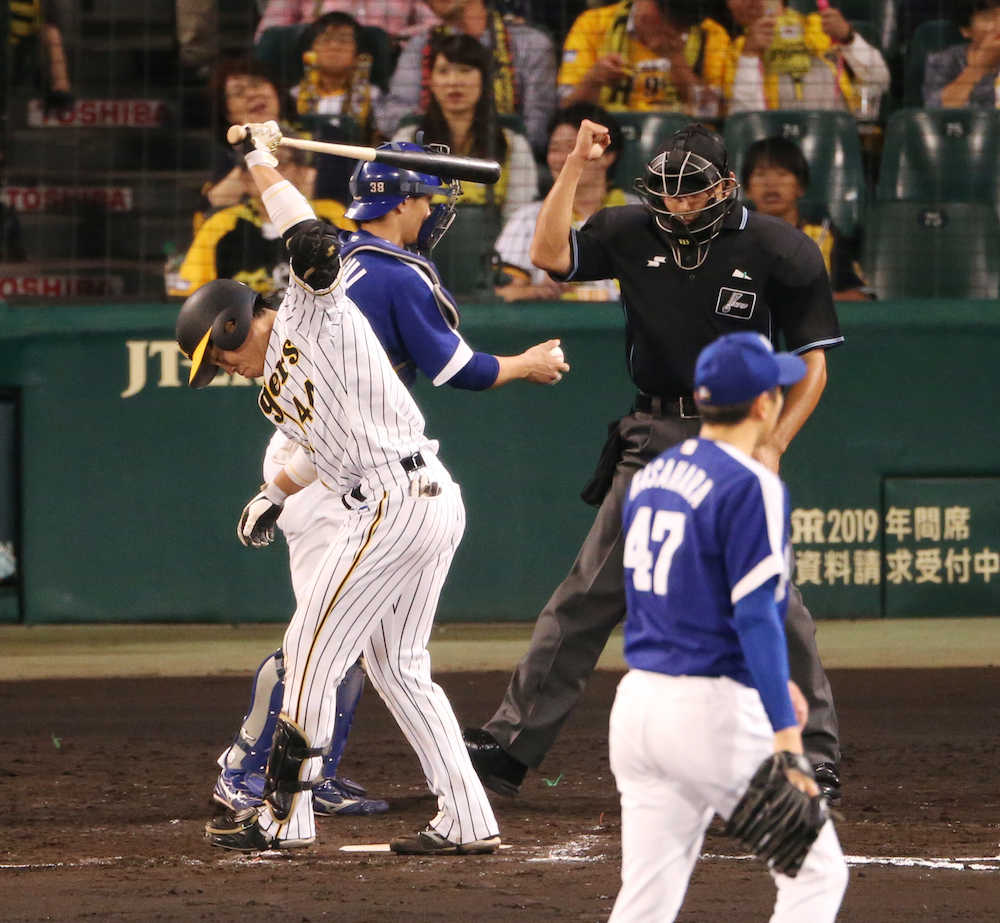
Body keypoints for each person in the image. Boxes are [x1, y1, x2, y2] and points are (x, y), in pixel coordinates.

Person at [179, 123, 569, 853]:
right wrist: (275, 493)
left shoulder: (308, 307)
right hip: (413, 499)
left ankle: (283, 818)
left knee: (312, 648)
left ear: (238, 321)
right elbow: (327, 452)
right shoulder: (271, 390)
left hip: (396, 502)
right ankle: (467, 817)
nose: (221, 368)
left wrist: (259, 158)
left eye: (219, 354)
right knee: (399, 666)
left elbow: (308, 238)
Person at [464, 120, 846, 805]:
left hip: (737, 434)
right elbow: (549, 253)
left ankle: (813, 754)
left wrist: (774, 443)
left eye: (692, 191)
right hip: (653, 429)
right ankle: (510, 745)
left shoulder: (779, 247)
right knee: (587, 594)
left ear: (724, 186)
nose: (678, 205)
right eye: (666, 192)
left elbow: (813, 362)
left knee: (772, 598)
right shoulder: (628, 229)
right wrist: (577, 167)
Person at [609, 330, 848, 922]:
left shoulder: (654, 475)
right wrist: (789, 742)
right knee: (817, 875)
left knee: (645, 901)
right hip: (709, 717)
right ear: (765, 404)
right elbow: (757, 616)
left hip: (637, 708)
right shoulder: (751, 484)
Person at [167, 145, 355, 301]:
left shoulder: (333, 216)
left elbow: (360, 275)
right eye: (257, 165)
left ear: (301, 172)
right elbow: (192, 295)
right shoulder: (220, 225)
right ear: (245, 179)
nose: (269, 171)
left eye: (279, 162)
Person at [494, 102, 635, 302]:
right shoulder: (527, 219)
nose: (563, 159)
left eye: (572, 148)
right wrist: (538, 291)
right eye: (554, 148)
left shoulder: (639, 213)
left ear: (608, 155)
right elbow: (501, 294)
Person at [377, 0, 557, 154]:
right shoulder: (420, 46)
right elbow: (393, 116)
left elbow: (536, 131)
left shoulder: (531, 43)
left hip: (507, 160)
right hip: (432, 161)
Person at [392, 33, 537, 222]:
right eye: (444, 71)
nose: (454, 81)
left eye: (465, 70)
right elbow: (394, 212)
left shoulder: (513, 144)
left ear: (484, 81)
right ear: (431, 82)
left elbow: (519, 220)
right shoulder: (406, 142)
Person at [741, 136, 870, 301]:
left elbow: (860, 296)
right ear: (747, 189)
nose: (771, 183)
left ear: (800, 187)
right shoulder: (733, 238)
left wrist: (813, 301)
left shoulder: (824, 235)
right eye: (760, 175)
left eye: (782, 174)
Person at [557, 0, 729, 116]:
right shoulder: (592, 24)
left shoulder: (712, 35)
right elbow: (566, 109)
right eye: (661, 8)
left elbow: (715, 115)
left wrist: (676, 59)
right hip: (609, 143)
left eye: (675, 15)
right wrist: (594, 79)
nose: (667, 20)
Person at [722, 0, 890, 113]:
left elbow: (881, 81)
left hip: (837, 138)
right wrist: (750, 56)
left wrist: (849, 38)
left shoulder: (822, 27)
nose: (752, 1)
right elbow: (745, 119)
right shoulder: (732, 51)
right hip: (777, 147)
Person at [291, 10, 382, 145]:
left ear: (358, 54)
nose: (334, 46)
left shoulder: (375, 97)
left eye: (344, 41)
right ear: (310, 50)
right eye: (326, 40)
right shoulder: (293, 97)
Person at [255, 0, 440, 45]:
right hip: (314, 72)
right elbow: (268, 35)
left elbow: (436, 24)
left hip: (386, 73)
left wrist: (395, 38)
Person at [924, 0, 1000, 108]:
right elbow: (935, 113)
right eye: (988, 18)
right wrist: (978, 68)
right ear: (966, 30)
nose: (999, 25)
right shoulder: (944, 60)